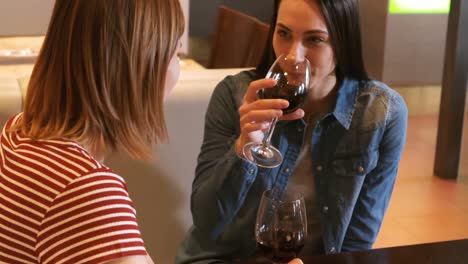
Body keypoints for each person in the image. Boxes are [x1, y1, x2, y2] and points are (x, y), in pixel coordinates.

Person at [177, 0, 408, 262]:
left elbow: (357, 243)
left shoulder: (380, 114)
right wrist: (243, 147)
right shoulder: (235, 96)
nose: (293, 56)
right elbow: (207, 222)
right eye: (284, 33)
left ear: (343, 43)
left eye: (315, 40)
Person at [0, 0, 184, 263]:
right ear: (139, 64)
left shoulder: (17, 132)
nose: (177, 70)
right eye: (176, 53)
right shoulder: (86, 191)